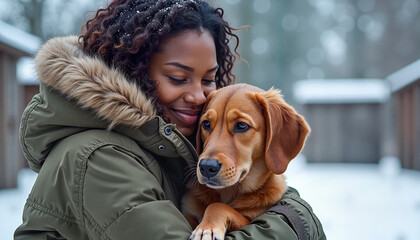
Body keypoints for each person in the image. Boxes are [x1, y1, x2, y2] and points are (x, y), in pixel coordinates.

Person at [14, 0, 326, 239]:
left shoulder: (174, 139)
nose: (199, 97)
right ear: (133, 69)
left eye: (209, 79)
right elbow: (296, 216)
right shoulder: (97, 158)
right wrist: (296, 221)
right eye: (178, 78)